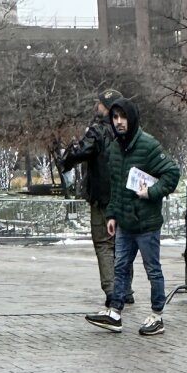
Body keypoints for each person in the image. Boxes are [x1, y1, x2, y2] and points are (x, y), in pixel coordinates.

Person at [85, 98, 181, 336]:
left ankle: (157, 315)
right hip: (125, 224)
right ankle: (115, 312)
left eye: (123, 117)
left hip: (146, 224)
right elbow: (116, 186)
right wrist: (111, 215)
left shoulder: (148, 145)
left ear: (132, 118)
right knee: (120, 268)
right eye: (115, 117)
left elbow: (172, 172)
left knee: (153, 270)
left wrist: (152, 192)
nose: (119, 122)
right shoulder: (115, 148)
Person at [59, 89, 133, 306]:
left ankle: (112, 291)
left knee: (104, 244)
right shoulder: (130, 132)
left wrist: (68, 155)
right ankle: (126, 289)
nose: (97, 107)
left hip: (102, 198)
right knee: (123, 244)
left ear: (106, 107)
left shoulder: (98, 132)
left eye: (100, 104)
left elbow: (79, 152)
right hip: (126, 197)